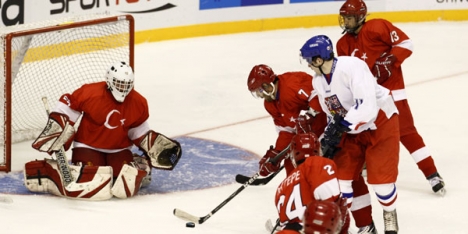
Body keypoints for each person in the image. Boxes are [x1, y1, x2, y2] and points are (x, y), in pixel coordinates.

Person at [25, 61, 182, 200]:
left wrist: (151, 144)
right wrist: (58, 126)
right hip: (87, 145)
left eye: (127, 84)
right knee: (90, 180)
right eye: (119, 83)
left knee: (123, 185)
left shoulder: (138, 102)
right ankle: (51, 171)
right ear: (109, 80)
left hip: (119, 148)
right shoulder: (90, 93)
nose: (123, 88)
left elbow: (137, 130)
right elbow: (68, 108)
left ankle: (141, 163)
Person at [247, 64, 375, 232]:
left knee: (347, 176)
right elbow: (287, 131)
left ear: (271, 81)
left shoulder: (293, 83)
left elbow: (321, 96)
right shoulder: (270, 104)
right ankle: (296, 216)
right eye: (258, 93)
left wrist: (310, 112)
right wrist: (275, 154)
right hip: (309, 141)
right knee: (293, 169)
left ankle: (365, 224)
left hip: (331, 132)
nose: (263, 94)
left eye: (263, 88)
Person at [336, 0, 445, 195]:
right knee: (361, 133)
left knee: (407, 133)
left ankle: (432, 174)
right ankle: (365, 167)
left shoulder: (377, 26)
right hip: (365, 98)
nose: (345, 22)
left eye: (349, 18)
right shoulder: (342, 44)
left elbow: (406, 43)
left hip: (392, 93)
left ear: (360, 16)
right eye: (344, 18)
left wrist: (391, 59)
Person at [300, 35, 400, 234]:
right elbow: (332, 112)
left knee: (381, 184)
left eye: (310, 61)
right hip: (350, 127)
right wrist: (329, 135)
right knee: (342, 179)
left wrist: (343, 125)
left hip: (380, 121)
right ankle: (354, 225)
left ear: (319, 60)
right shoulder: (318, 81)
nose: (309, 65)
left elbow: (367, 105)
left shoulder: (352, 67)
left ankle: (390, 214)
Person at [274, 131, 349, 234]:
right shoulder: (317, 163)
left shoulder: (281, 187)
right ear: (318, 150)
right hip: (313, 229)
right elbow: (330, 207)